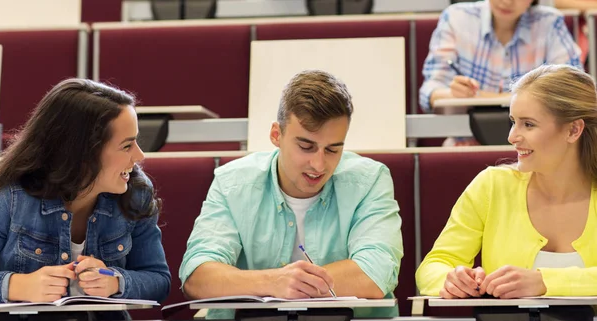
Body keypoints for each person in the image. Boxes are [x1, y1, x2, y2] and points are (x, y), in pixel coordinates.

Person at [180, 70, 403, 319]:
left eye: (332, 149)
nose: (319, 165)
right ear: (277, 135)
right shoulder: (232, 183)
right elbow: (197, 277)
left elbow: (374, 274)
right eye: (306, 146)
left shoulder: (370, 180)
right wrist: (274, 281)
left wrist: (291, 284)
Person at [416, 65, 597, 301]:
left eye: (528, 124)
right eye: (513, 121)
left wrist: (544, 282)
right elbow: (433, 267)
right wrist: (452, 279)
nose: (512, 136)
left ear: (574, 130)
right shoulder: (491, 185)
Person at [0, 79, 171, 318]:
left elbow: (158, 279)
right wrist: (17, 285)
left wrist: (117, 281)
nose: (139, 155)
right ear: (82, 153)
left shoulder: (137, 193)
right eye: (126, 146)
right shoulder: (7, 195)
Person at [419, 0, 582, 146]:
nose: (507, 1)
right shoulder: (457, 18)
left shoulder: (549, 22)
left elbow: (575, 89)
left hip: (537, 147)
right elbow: (429, 90)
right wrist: (452, 93)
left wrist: (481, 96)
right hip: (466, 143)